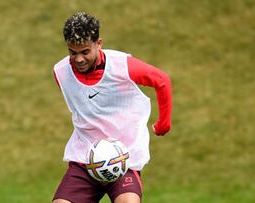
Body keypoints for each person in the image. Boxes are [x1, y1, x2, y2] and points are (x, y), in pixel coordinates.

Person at [52, 12, 172, 203]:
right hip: (85, 159)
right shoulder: (61, 73)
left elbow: (162, 80)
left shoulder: (122, 66)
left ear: (99, 44)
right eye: (72, 52)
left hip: (123, 160)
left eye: (85, 52)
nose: (79, 59)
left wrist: (163, 123)